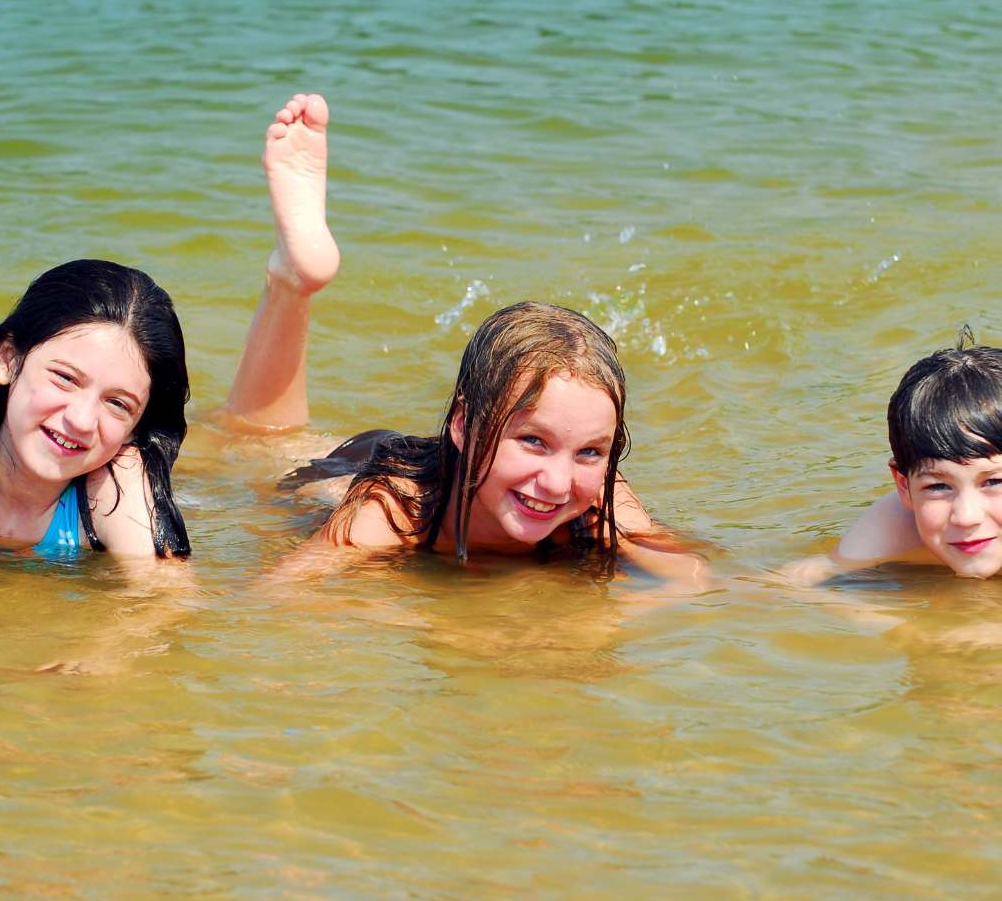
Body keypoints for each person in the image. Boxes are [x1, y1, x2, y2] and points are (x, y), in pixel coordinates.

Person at [224, 93, 703, 582]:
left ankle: (293, 278)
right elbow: (278, 596)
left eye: (590, 451)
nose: (559, 482)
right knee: (255, 445)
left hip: (451, 463)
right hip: (357, 471)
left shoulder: (596, 496)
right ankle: (290, 281)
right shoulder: (393, 511)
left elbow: (692, 577)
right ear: (460, 422)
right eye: (533, 441)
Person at [787, 338, 1002, 582]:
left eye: (994, 481)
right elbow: (792, 583)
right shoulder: (894, 523)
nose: (966, 517)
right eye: (938, 487)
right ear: (904, 486)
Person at [0, 260, 191, 558]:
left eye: (117, 403)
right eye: (65, 378)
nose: (81, 420)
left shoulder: (114, 488)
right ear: (8, 359)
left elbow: (163, 598)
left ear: (135, 429)